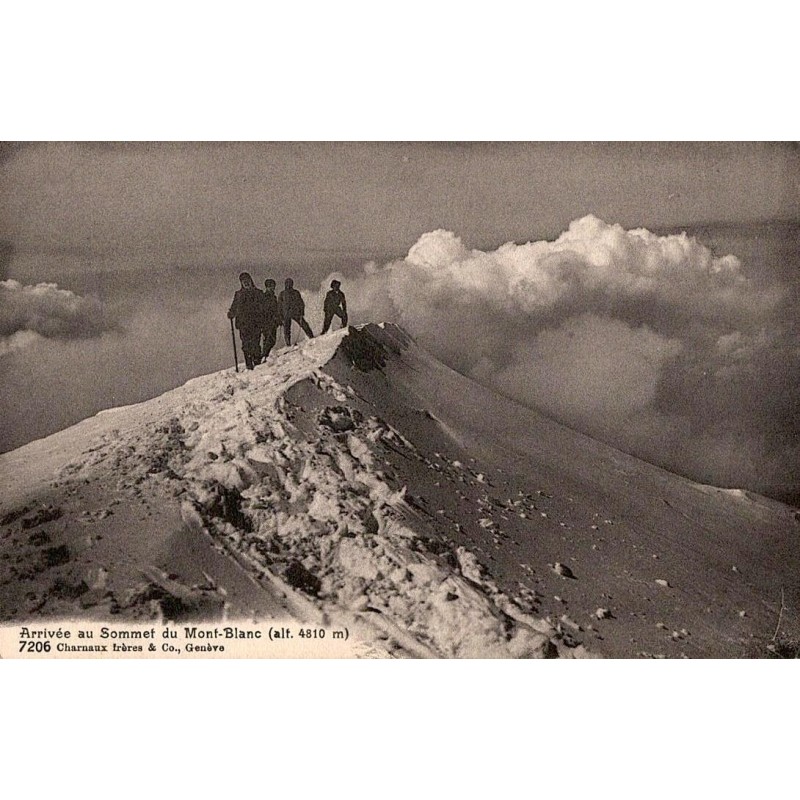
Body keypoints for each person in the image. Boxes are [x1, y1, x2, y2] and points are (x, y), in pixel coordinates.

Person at [228, 272, 267, 370]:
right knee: (246, 345)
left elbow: (264, 307)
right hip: (243, 324)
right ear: (241, 283)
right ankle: (249, 364)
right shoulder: (238, 294)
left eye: (247, 281)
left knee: (255, 343)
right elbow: (234, 307)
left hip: (256, 323)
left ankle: (257, 361)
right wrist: (231, 313)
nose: (246, 283)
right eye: (243, 281)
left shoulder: (258, 293)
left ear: (251, 281)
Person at [277, 278, 314, 345]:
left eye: (290, 283)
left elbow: (301, 303)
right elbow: (279, 306)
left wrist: (302, 312)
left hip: (295, 313)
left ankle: (311, 337)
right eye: (287, 283)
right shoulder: (282, 294)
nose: (289, 285)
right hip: (286, 314)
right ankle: (288, 344)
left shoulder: (296, 292)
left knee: (304, 325)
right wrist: (280, 316)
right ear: (285, 284)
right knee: (287, 330)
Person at [261, 278, 282, 360]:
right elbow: (264, 309)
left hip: (273, 322)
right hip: (267, 322)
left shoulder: (273, 297)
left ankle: (264, 355)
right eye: (270, 286)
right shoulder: (264, 297)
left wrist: (278, 319)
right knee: (268, 339)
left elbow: (276, 309)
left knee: (272, 340)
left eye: (273, 286)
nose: (272, 288)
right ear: (266, 287)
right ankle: (263, 356)